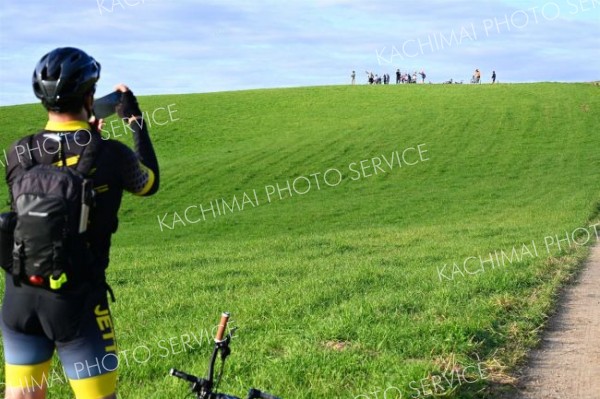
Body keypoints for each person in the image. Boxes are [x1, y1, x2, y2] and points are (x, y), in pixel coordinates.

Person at [1, 47, 160, 399]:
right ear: (89, 95)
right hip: (78, 300)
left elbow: (49, 176)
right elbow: (150, 183)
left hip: (20, 296)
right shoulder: (111, 154)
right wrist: (135, 124)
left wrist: (82, 136)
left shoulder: (17, 153)